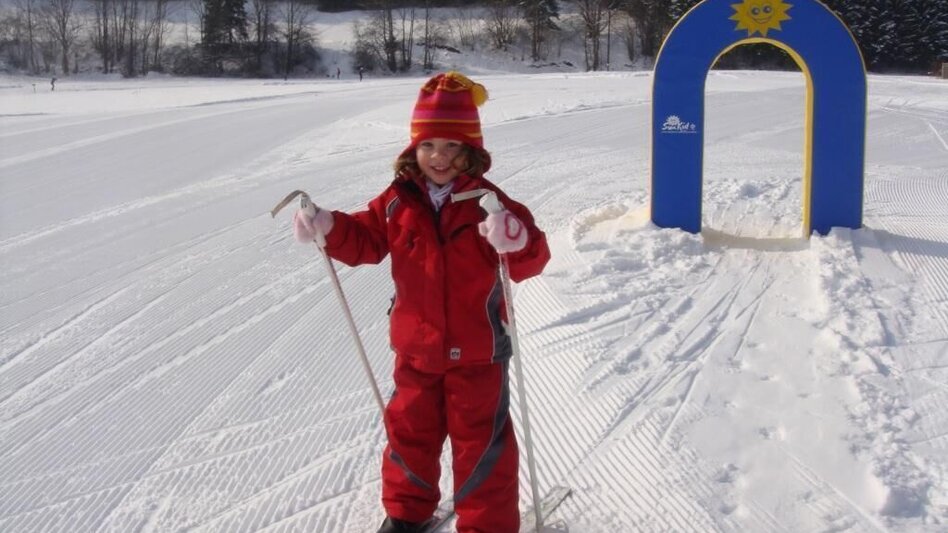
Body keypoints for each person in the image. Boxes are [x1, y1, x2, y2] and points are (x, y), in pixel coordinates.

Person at [292, 72, 550, 533]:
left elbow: (531, 259)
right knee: (409, 435)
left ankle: (487, 526)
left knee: (481, 446)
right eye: (429, 146)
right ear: (413, 150)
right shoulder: (398, 201)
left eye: (452, 147)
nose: (439, 158)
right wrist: (328, 227)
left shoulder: (489, 203)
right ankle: (407, 515)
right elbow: (366, 241)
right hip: (416, 351)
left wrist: (517, 238)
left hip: (478, 352)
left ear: (470, 152)